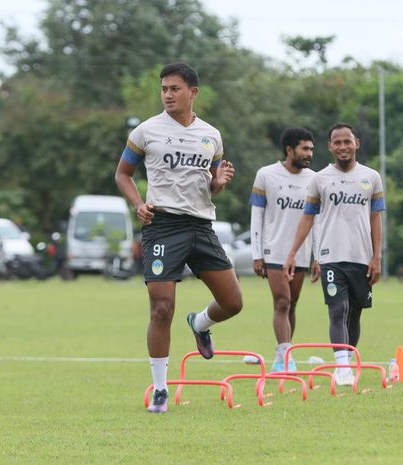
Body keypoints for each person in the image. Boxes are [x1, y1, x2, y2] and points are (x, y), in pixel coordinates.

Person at [114, 63, 243, 413]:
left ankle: (200, 323)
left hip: (201, 226)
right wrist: (138, 204)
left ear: (192, 92)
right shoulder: (146, 131)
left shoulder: (211, 136)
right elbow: (123, 174)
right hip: (162, 226)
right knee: (161, 308)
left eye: (174, 89)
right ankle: (160, 390)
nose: (168, 95)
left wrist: (218, 183)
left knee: (233, 303)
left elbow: (211, 184)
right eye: (164, 89)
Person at [283, 123, 384, 386]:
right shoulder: (319, 179)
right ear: (330, 146)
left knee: (355, 312)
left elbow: (376, 218)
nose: (342, 147)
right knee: (338, 308)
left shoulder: (371, 177)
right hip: (330, 256)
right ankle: (342, 369)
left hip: (361, 256)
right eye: (337, 142)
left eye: (346, 142)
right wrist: (293, 253)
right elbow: (307, 217)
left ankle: (346, 363)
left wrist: (377, 256)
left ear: (356, 144)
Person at [249, 128, 320, 372]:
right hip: (273, 251)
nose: (309, 153)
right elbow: (256, 216)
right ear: (290, 150)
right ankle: (283, 358)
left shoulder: (314, 179)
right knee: (282, 301)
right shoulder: (266, 175)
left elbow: (317, 221)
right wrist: (256, 254)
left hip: (301, 253)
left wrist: (318, 256)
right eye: (305, 149)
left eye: (311, 149)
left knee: (292, 304)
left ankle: (285, 352)